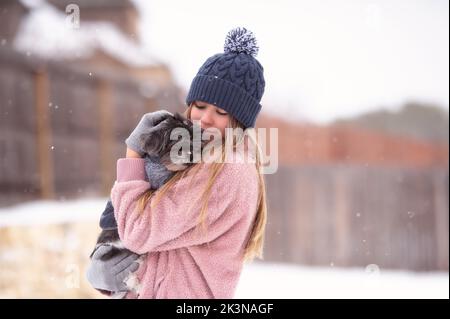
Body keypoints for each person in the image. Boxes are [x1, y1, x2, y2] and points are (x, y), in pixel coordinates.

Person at [86, 27, 267, 298]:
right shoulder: (206, 158)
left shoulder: (227, 169)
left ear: (239, 121)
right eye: (200, 105)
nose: (204, 118)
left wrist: (133, 154)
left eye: (221, 112)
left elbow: (139, 231)